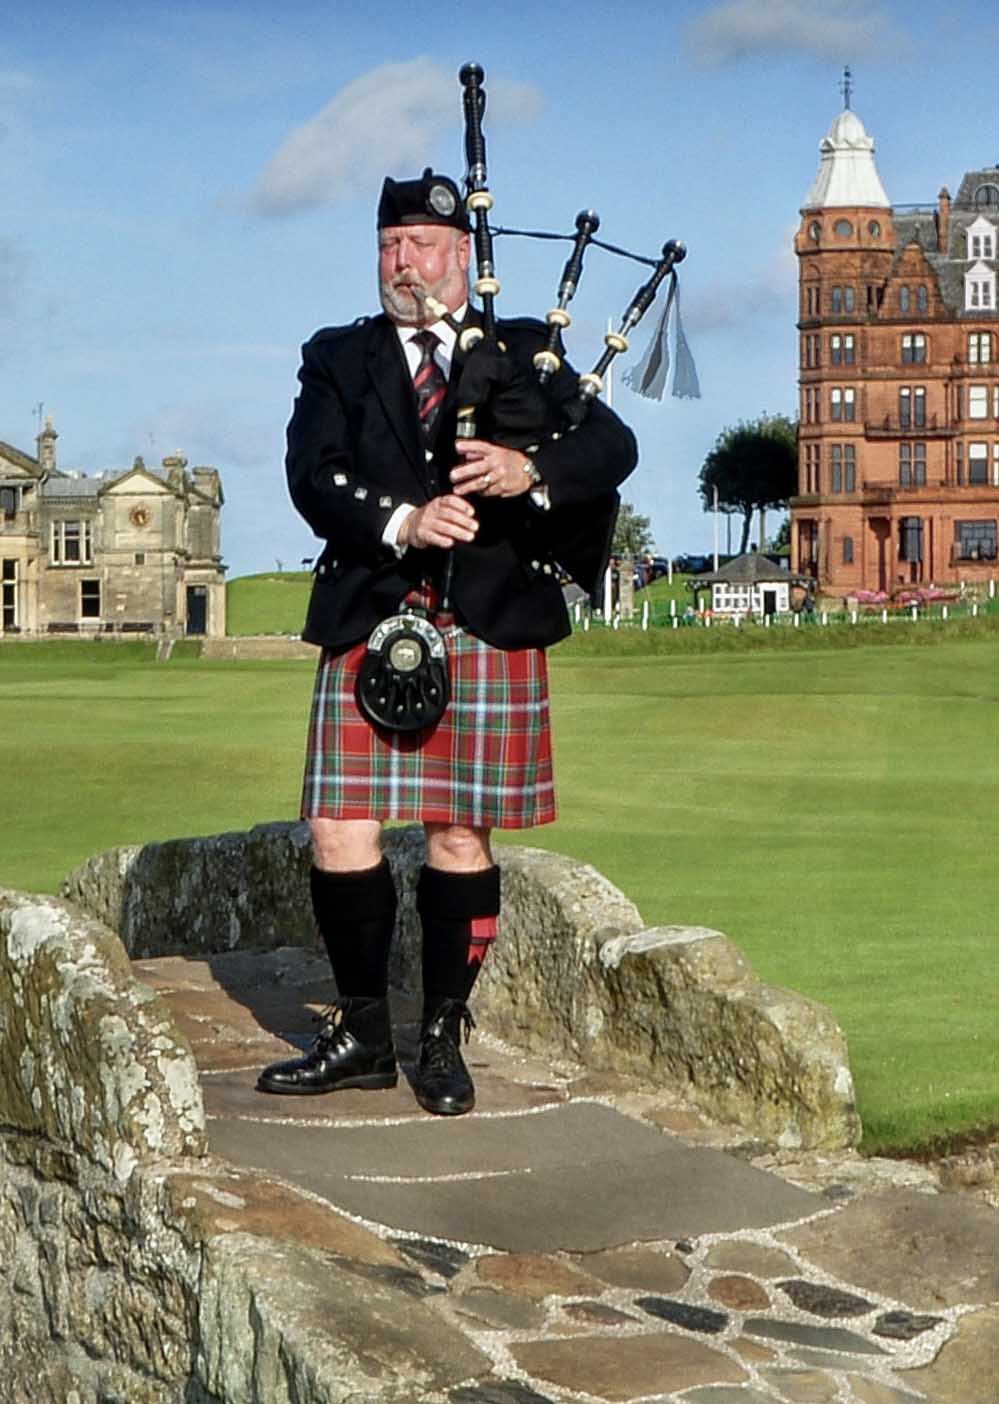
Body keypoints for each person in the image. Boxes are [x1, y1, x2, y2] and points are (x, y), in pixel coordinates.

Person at [257, 169, 637, 1116]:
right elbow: (312, 475)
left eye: (421, 245)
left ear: (461, 257)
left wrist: (526, 469)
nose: (402, 263)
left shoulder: (519, 351)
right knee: (341, 830)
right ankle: (361, 1033)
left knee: (459, 835)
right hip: (373, 614)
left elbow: (612, 449)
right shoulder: (339, 356)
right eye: (389, 245)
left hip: (486, 620)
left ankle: (440, 1033)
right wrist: (401, 523)